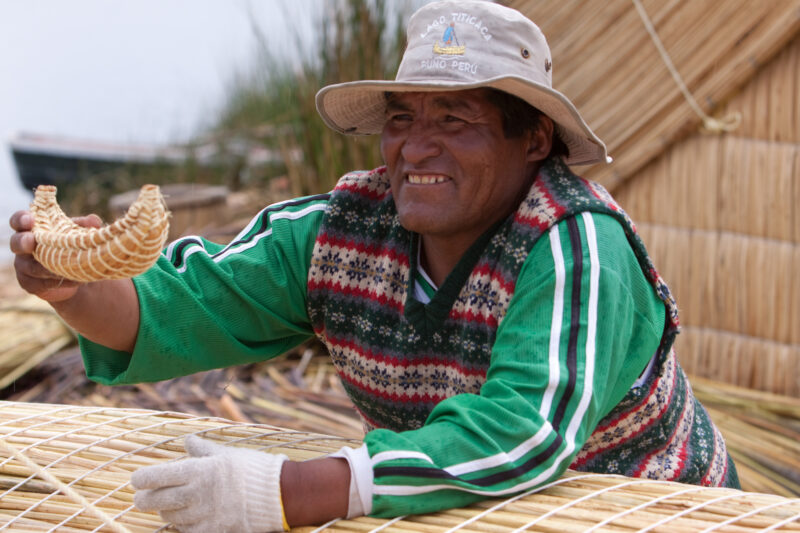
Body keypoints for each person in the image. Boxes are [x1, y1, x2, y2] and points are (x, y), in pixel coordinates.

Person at [9, 1, 739, 532]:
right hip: (459, 509)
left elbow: (521, 433)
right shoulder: (342, 229)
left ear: (535, 139)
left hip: (651, 510)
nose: (416, 148)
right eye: (402, 119)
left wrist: (291, 491)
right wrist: (75, 287)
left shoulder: (577, 245)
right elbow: (179, 304)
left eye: (455, 120)